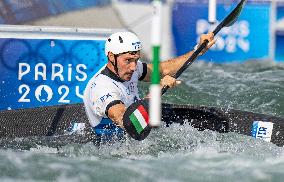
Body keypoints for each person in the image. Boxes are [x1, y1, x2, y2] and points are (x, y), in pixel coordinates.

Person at [83, 31, 215, 138]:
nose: (134, 67)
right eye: (128, 60)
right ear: (111, 57)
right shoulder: (102, 88)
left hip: (135, 140)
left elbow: (164, 70)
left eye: (136, 60)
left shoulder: (129, 68)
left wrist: (198, 50)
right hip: (113, 151)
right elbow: (131, 124)